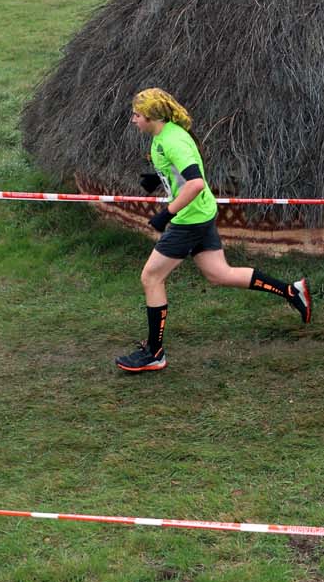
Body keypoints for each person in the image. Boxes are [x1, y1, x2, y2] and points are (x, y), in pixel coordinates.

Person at [116, 89, 311, 374]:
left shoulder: (173, 140)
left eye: (136, 114)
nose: (133, 119)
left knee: (151, 276)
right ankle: (292, 291)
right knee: (219, 273)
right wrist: (159, 179)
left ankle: (154, 353)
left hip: (189, 219)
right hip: (201, 214)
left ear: (152, 116)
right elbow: (186, 175)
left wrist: (165, 214)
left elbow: (194, 184)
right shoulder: (164, 136)